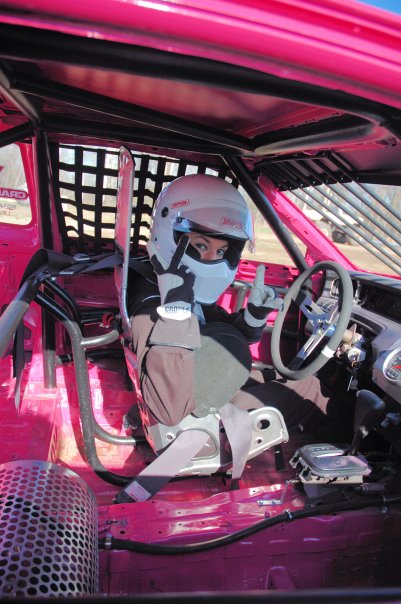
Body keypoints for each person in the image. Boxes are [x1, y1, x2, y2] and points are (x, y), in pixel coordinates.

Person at [127, 173, 353, 444]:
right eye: (200, 246)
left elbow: (213, 329)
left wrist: (252, 318)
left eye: (222, 251)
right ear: (169, 235)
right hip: (191, 419)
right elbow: (167, 409)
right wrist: (175, 311)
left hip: (198, 381)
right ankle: (360, 452)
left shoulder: (169, 283)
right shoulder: (154, 301)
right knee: (304, 396)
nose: (212, 259)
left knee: (300, 381)